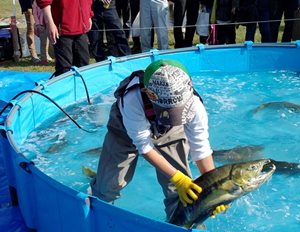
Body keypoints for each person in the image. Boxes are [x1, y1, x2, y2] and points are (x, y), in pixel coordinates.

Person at [90, 59, 226, 220]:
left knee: (181, 192)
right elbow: (144, 146)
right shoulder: (132, 98)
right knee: (109, 184)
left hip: (171, 131)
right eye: (169, 111)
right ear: (149, 94)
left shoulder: (194, 105)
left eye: (178, 110)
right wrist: (178, 178)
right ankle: (97, 216)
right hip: (124, 130)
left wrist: (216, 189)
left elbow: (201, 147)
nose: (173, 114)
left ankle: (183, 226)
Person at [36, 0, 93, 76]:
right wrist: (50, 23)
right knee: (64, 70)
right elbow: (44, 2)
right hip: (63, 30)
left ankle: (81, 87)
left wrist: (89, 15)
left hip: (81, 29)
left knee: (83, 66)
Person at [32, 0, 53, 65]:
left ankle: (57, 58)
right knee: (43, 43)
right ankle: (43, 59)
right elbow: (34, 13)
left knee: (54, 43)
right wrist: (38, 24)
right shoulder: (35, 2)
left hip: (51, 24)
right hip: (41, 25)